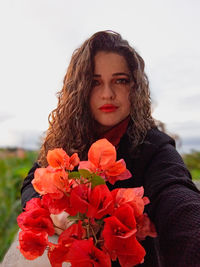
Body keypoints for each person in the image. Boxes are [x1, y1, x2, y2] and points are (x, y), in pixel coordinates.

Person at [6, 31, 200, 267]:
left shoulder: (154, 147)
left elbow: (176, 194)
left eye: (120, 80)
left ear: (135, 88)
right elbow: (32, 182)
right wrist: (55, 211)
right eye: (95, 82)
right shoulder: (67, 140)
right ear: (81, 90)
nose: (108, 93)